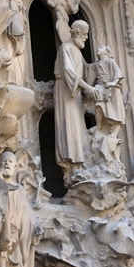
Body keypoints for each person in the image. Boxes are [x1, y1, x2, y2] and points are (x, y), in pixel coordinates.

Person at [53, 20, 97, 185]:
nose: (86, 38)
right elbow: (69, 72)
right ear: (76, 33)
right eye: (84, 34)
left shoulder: (77, 51)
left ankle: (80, 164)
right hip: (66, 92)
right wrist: (88, 88)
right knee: (70, 126)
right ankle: (73, 167)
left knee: (78, 127)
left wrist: (103, 66)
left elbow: (86, 69)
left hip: (75, 93)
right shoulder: (66, 48)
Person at [89, 45, 126, 138]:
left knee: (115, 111)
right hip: (101, 88)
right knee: (98, 107)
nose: (98, 48)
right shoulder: (95, 65)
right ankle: (99, 125)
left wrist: (113, 82)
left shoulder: (110, 61)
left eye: (101, 47)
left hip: (111, 89)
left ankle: (114, 133)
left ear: (106, 52)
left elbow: (118, 72)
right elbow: (89, 73)